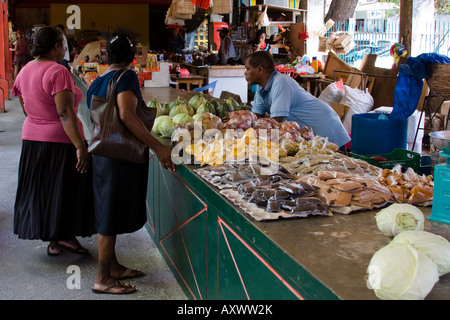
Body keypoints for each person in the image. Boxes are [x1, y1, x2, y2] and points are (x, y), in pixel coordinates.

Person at [86, 32, 176, 295]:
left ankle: (112, 266)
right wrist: (159, 146)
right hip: (117, 156)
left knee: (108, 212)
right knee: (108, 216)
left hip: (103, 153)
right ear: (132, 56)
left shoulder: (99, 79)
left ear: (107, 57)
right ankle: (103, 278)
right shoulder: (126, 77)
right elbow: (126, 114)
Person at [12, 26, 95, 256]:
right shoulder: (58, 72)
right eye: (63, 46)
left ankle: (56, 240)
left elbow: (23, 103)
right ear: (56, 46)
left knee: (46, 190)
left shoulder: (26, 68)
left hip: (32, 138)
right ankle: (64, 237)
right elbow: (66, 113)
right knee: (66, 189)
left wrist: (38, 120)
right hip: (61, 140)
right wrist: (80, 146)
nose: (64, 51)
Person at [245, 51, 351, 150]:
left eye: (248, 69)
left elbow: (275, 122)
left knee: (334, 165)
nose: (245, 73)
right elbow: (256, 118)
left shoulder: (281, 82)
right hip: (309, 134)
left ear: (260, 69)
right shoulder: (261, 88)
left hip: (325, 128)